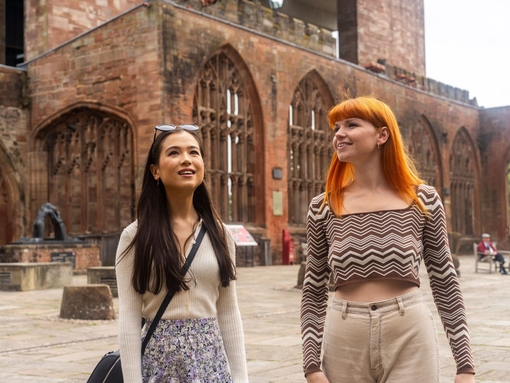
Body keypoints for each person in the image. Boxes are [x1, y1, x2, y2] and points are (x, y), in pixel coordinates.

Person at [300, 97, 475, 383]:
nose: (339, 134)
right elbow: (314, 289)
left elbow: (445, 281)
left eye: (352, 125)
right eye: (336, 128)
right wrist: (311, 366)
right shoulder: (323, 206)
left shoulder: (423, 199)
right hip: (344, 338)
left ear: (382, 135)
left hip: (409, 334)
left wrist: (465, 366)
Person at [115, 124, 249, 383]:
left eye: (194, 152)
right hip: (159, 364)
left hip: (211, 364)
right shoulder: (135, 236)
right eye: (174, 153)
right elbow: (129, 316)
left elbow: (229, 311)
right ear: (155, 170)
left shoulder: (220, 235)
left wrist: (241, 378)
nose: (186, 159)